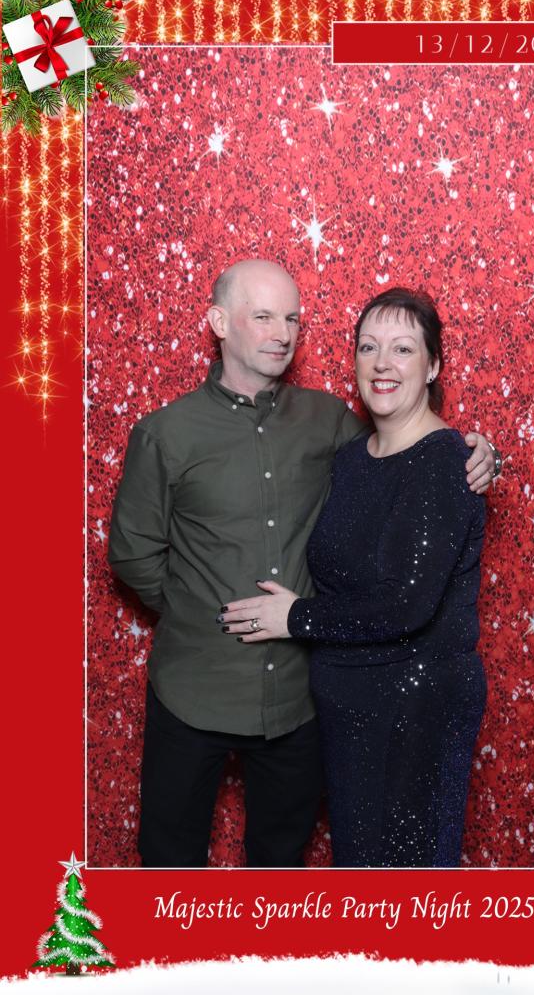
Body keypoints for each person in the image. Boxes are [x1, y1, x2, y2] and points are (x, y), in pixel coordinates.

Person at [108, 260, 499, 868]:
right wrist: (195, 607)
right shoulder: (165, 433)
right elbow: (133, 555)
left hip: (304, 702)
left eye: (292, 318)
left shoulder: (330, 422)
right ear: (219, 323)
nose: (282, 333)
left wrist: (476, 450)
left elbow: (411, 453)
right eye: (263, 316)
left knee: (285, 867)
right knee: (168, 864)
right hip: (196, 688)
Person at [220, 286, 487, 868]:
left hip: (414, 711)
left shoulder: (447, 463)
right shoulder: (351, 457)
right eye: (369, 347)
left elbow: (406, 604)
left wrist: (294, 617)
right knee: (361, 880)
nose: (383, 364)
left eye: (403, 349)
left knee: (407, 892)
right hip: (348, 710)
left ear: (434, 366)